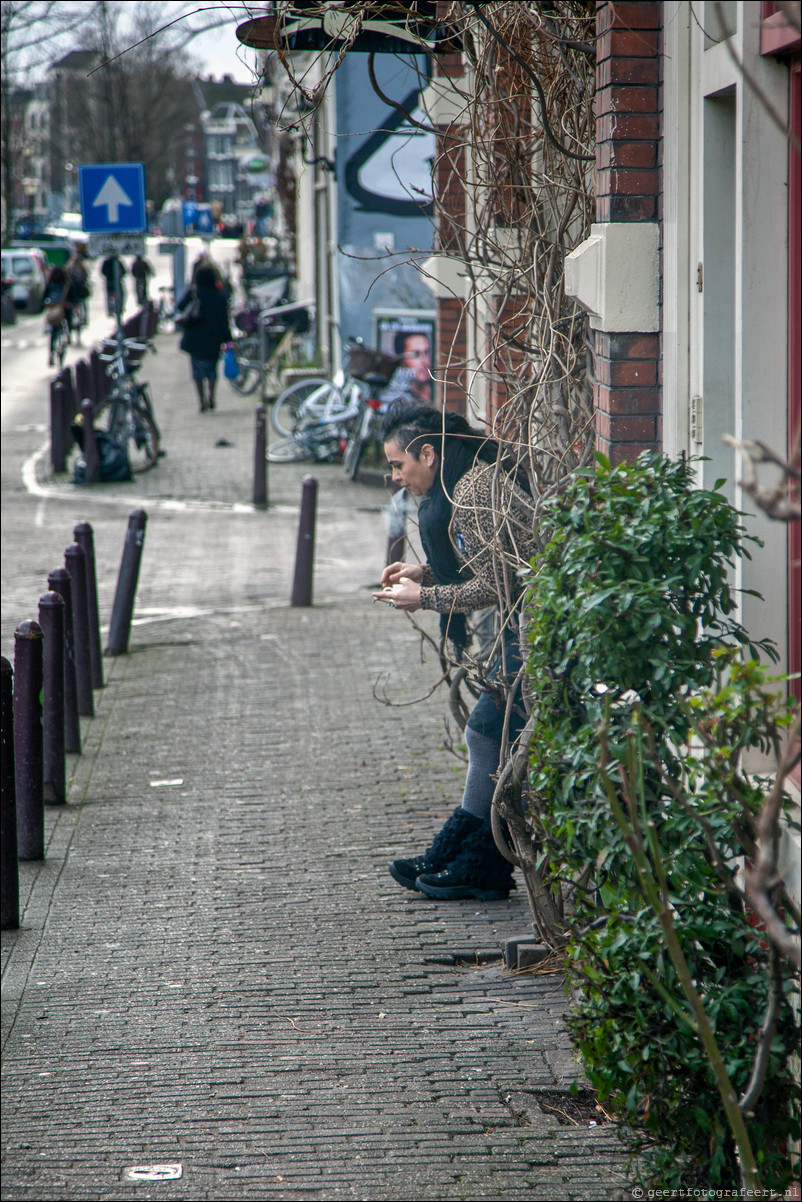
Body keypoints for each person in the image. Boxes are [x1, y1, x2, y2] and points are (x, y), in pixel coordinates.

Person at [372, 401, 537, 901]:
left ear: (428, 454)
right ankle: (466, 857)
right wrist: (423, 572)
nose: (395, 477)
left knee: (488, 730)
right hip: (522, 629)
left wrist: (424, 596)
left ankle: (477, 864)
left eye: (398, 465)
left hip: (536, 632)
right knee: (488, 732)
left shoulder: (474, 493)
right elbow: (484, 561)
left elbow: (498, 582)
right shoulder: (460, 482)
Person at [175, 264, 232, 413]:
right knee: (212, 369)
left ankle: (201, 401)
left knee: (197, 372)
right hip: (213, 338)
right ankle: (211, 397)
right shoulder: (220, 295)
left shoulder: (195, 293)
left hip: (194, 337)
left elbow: (180, 306)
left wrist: (191, 291)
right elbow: (224, 320)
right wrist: (228, 339)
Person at [42, 264, 80, 364]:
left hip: (54, 309)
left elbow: (44, 298)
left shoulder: (50, 284)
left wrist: (48, 304)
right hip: (65, 309)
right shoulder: (67, 284)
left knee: (53, 333)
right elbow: (74, 297)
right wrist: (71, 304)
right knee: (68, 322)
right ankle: (68, 335)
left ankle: (51, 353)